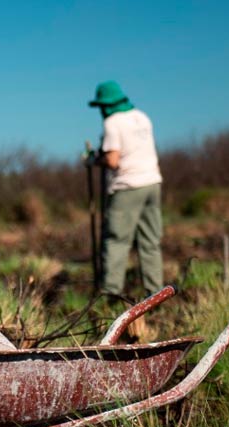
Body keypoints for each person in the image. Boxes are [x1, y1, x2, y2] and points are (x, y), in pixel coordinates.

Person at [87, 80, 164, 297]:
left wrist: (95, 161)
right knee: (150, 242)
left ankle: (111, 294)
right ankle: (156, 294)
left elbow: (112, 160)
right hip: (152, 182)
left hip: (127, 186)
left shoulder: (113, 122)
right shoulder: (142, 117)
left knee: (116, 240)